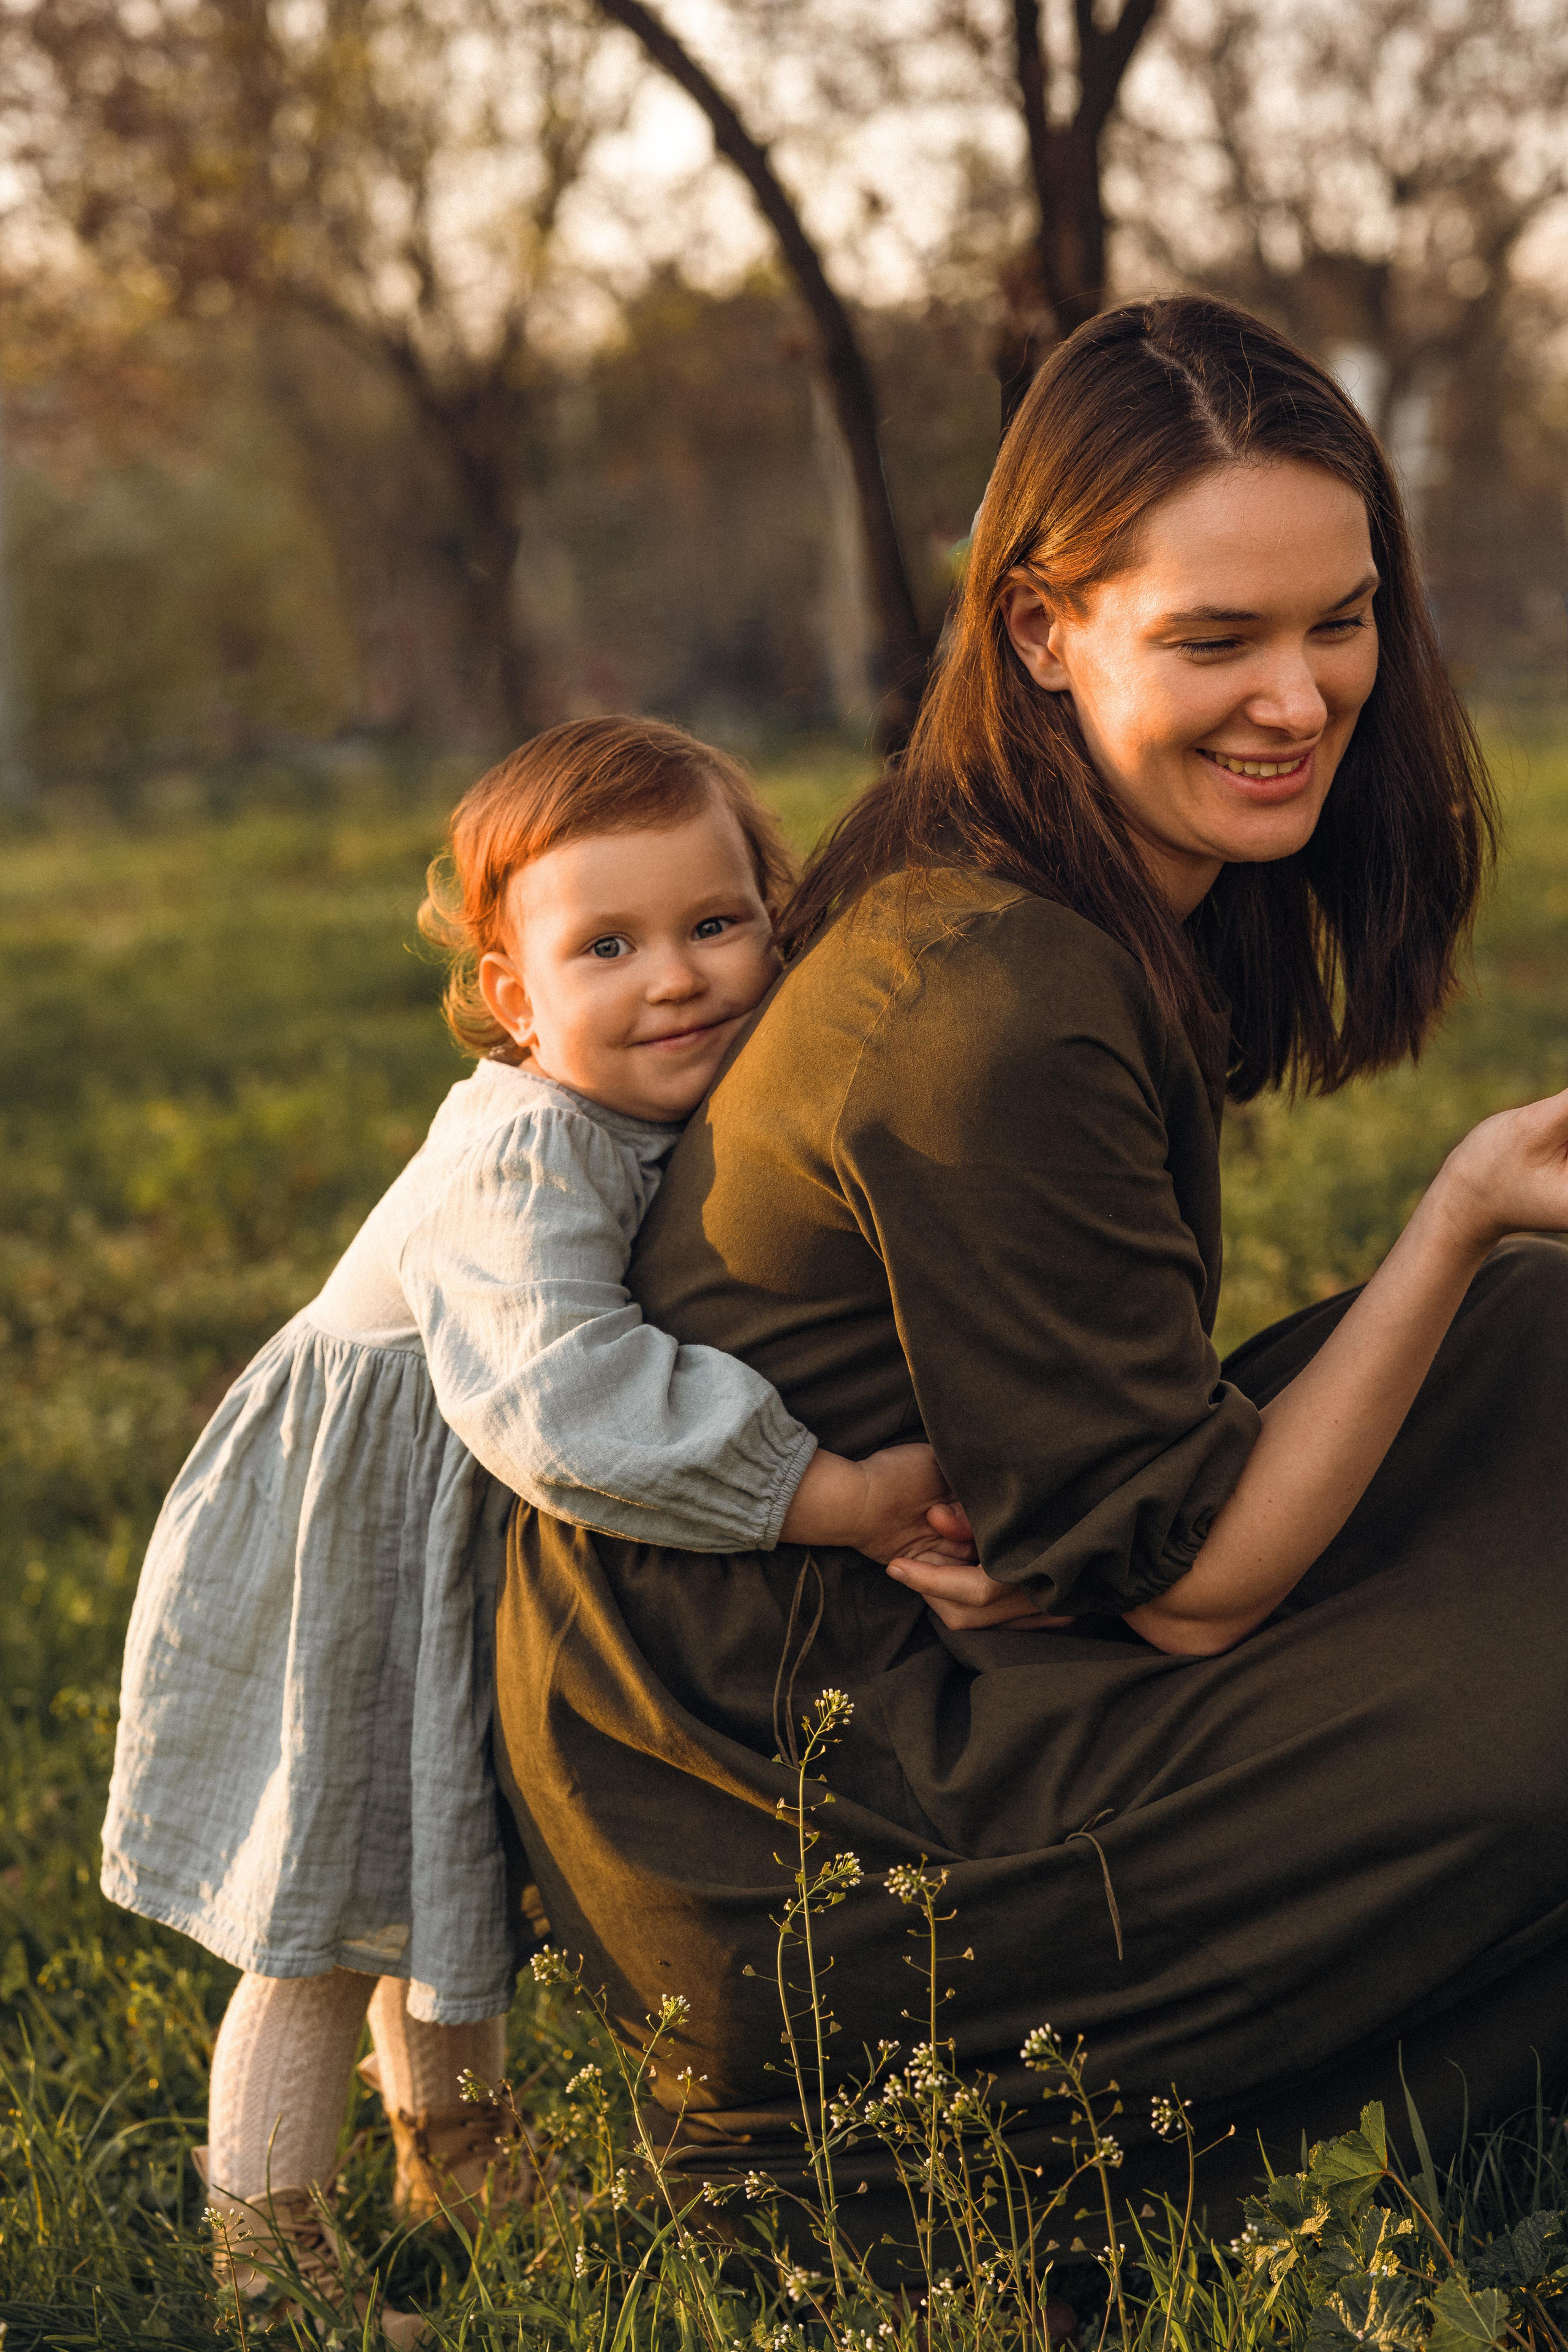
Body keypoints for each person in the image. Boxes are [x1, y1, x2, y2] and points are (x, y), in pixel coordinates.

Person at [489, 295, 1568, 2260]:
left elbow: (1112, 1483)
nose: (1301, 698)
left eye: (1339, 621)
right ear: (1044, 630)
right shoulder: (990, 993)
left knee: (1542, 1348)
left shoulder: (1068, 870)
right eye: (1216, 640)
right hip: (825, 1833)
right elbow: (1188, 1584)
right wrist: (1466, 1200)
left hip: (931, 1627)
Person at [100, 717, 962, 2331]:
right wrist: (830, 1494)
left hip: (454, 1528)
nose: (676, 979)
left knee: (445, 1846)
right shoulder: (526, 1148)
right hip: (354, 1540)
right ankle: (267, 2275)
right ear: (515, 997)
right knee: (321, 1908)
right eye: (607, 947)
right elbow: (564, 1398)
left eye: (716, 924)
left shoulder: (655, 1099)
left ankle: (459, 2155)